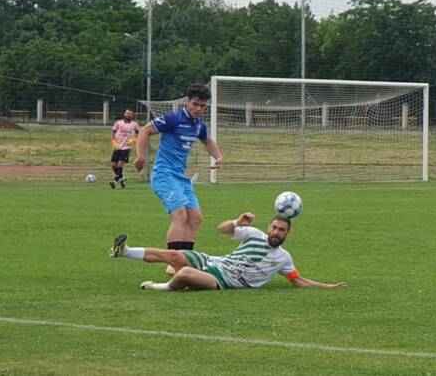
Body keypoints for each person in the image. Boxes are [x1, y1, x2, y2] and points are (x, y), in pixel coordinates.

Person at [109, 212, 346, 291]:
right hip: (215, 261)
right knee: (174, 254)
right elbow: (221, 229)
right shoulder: (253, 234)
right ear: (269, 227)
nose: (276, 232)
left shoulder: (283, 259)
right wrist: (237, 221)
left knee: (183, 274)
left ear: (287, 234)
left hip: (221, 279)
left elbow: (298, 281)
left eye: (281, 230)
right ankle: (124, 251)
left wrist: (328, 286)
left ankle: (160, 288)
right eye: (274, 227)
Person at [134, 84, 224, 259]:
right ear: (188, 101)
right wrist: (141, 157)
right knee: (180, 216)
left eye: (202, 106)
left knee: (196, 218)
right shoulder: (173, 119)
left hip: (181, 179)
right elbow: (145, 130)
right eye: (195, 104)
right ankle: (173, 262)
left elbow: (207, 141)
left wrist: (218, 157)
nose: (198, 109)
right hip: (163, 175)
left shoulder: (198, 125)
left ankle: (185, 261)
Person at [110, 108, 141, 189]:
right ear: (124, 114)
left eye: (130, 113)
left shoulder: (134, 124)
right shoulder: (118, 123)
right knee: (113, 165)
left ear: (132, 115)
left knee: (120, 165)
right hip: (117, 147)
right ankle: (122, 178)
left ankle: (115, 182)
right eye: (127, 113)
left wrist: (134, 139)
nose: (128, 115)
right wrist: (113, 142)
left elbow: (139, 132)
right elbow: (113, 132)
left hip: (126, 147)